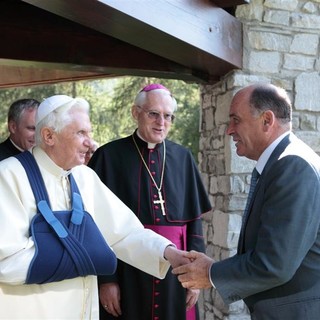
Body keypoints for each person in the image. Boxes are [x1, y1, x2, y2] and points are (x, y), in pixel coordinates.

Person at [0, 94, 190, 319]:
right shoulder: (8, 176)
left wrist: (168, 253)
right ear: (49, 136)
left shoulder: (84, 177)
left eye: (89, 133)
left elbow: (124, 233)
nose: (90, 142)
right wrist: (90, 254)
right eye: (81, 133)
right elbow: (6, 262)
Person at [172, 83, 320, 319]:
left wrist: (211, 273)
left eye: (236, 120)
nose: (229, 130)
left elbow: (275, 264)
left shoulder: (293, 166)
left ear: (266, 120)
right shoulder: (284, 162)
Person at [88, 83, 212, 320]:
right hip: (125, 270)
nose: (161, 122)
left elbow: (194, 226)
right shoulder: (109, 156)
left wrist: (195, 279)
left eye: (168, 116)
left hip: (177, 271)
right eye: (153, 113)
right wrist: (106, 280)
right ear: (136, 113)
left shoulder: (183, 157)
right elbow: (95, 227)